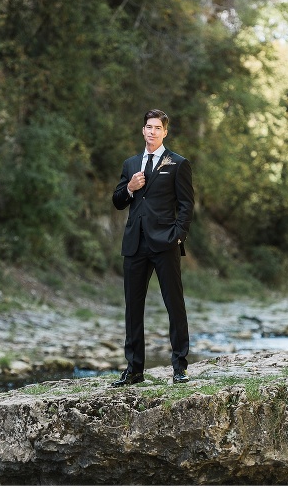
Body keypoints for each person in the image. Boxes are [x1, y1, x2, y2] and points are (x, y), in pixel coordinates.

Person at [111, 110, 194, 386]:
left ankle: (179, 367)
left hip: (165, 243)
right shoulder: (131, 163)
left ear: (165, 132)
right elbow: (118, 200)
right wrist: (131, 188)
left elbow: (186, 205)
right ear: (142, 130)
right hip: (135, 243)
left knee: (174, 304)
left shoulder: (178, 163)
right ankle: (134, 370)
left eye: (157, 128)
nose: (152, 131)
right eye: (148, 127)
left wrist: (178, 236)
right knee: (133, 307)